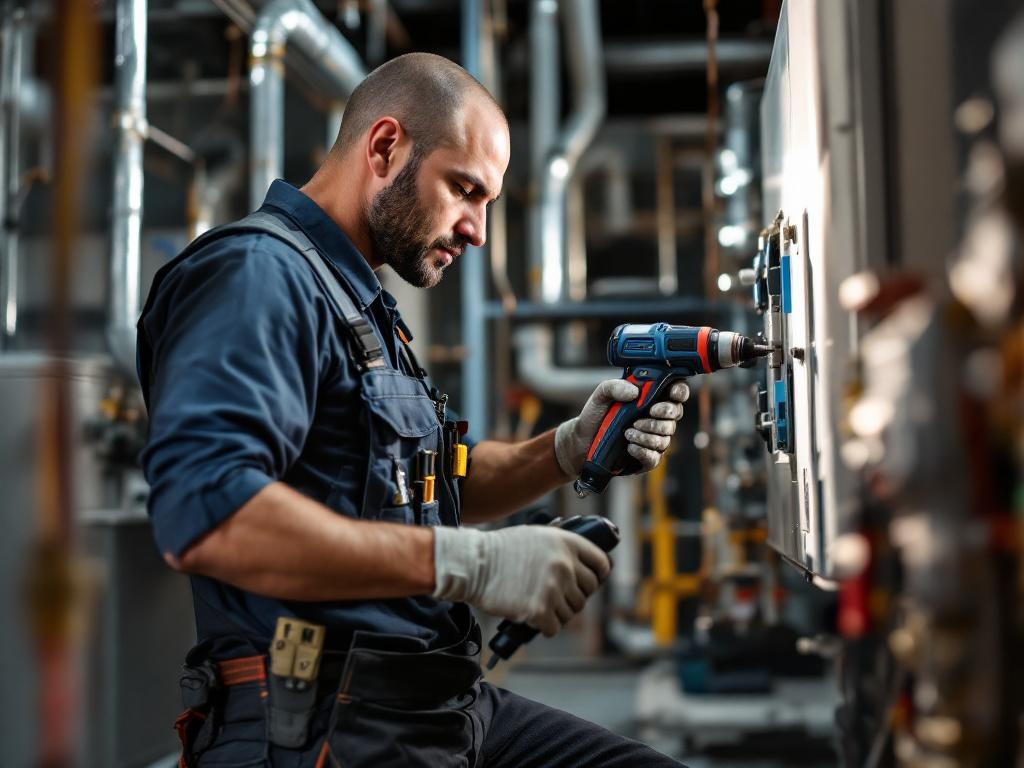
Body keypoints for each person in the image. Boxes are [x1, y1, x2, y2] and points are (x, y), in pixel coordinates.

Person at [138, 52, 689, 767]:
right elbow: (207, 514)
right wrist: (469, 562)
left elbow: (431, 482)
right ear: (385, 147)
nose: (478, 230)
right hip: (324, 726)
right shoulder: (258, 277)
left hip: (439, 706)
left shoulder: (358, 304)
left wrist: (566, 449)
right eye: (465, 189)